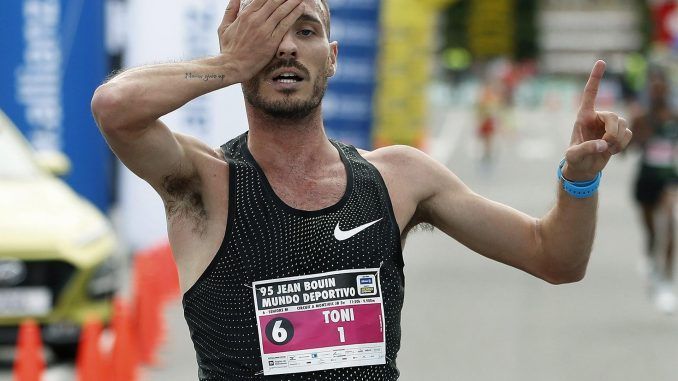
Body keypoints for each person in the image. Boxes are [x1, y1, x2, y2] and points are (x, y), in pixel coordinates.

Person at [90, 0, 632, 379]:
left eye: (305, 31)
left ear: (333, 56)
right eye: (265, 34)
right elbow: (114, 109)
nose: (284, 48)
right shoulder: (206, 181)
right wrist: (229, 64)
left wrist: (580, 180)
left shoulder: (399, 177)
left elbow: (556, 257)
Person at [630, 66, 678, 314]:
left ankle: (667, 281)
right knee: (651, 231)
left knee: (670, 224)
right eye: (653, 87)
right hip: (646, 179)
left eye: (662, 86)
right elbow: (625, 151)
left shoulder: (674, 116)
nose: (658, 91)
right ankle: (650, 258)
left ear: (667, 89)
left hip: (669, 179)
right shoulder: (640, 118)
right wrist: (638, 138)